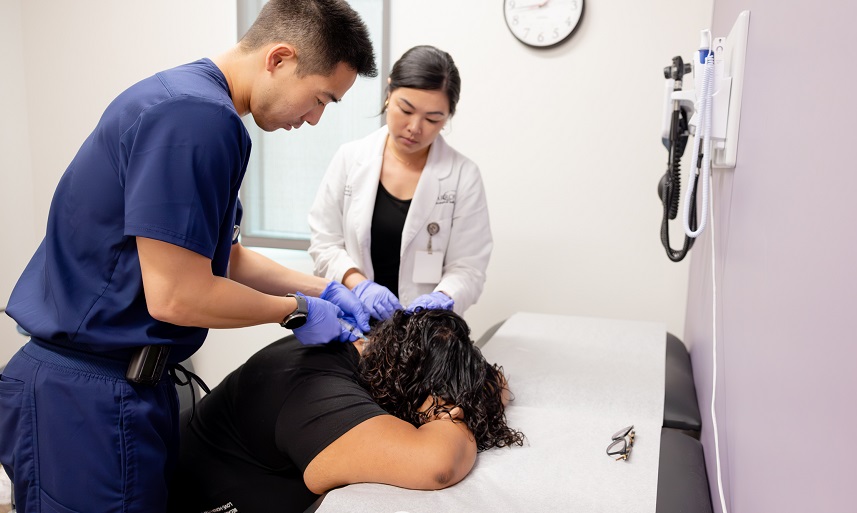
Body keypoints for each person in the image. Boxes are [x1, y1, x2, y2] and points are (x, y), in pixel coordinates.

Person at [0, 1, 379, 512]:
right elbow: (177, 296)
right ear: (280, 58)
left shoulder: (186, 100)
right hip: (86, 399)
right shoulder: (198, 119)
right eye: (319, 99)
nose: (313, 120)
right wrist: (294, 311)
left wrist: (331, 288)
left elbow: (224, 257)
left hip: (116, 387)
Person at [167, 309, 524, 513]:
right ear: (424, 393)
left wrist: (477, 387)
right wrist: (449, 411)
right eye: (445, 397)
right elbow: (437, 465)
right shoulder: (321, 392)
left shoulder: (368, 355)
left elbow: (499, 381)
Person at [309, 45, 492, 321]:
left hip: (425, 331)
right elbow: (324, 242)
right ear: (389, 91)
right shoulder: (351, 158)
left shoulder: (463, 175)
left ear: (448, 117)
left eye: (433, 119)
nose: (415, 128)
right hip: (352, 321)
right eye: (405, 110)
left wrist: (443, 298)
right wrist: (358, 284)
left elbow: (469, 268)